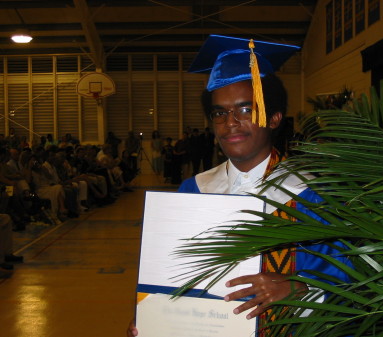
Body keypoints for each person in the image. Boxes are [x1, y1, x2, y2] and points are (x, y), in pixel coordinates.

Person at [128, 35, 352, 336]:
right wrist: (151, 318)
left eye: (245, 110)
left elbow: (351, 284)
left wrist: (299, 288)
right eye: (220, 112)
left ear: (273, 119)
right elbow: (172, 278)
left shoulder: (311, 196)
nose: (230, 122)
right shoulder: (194, 190)